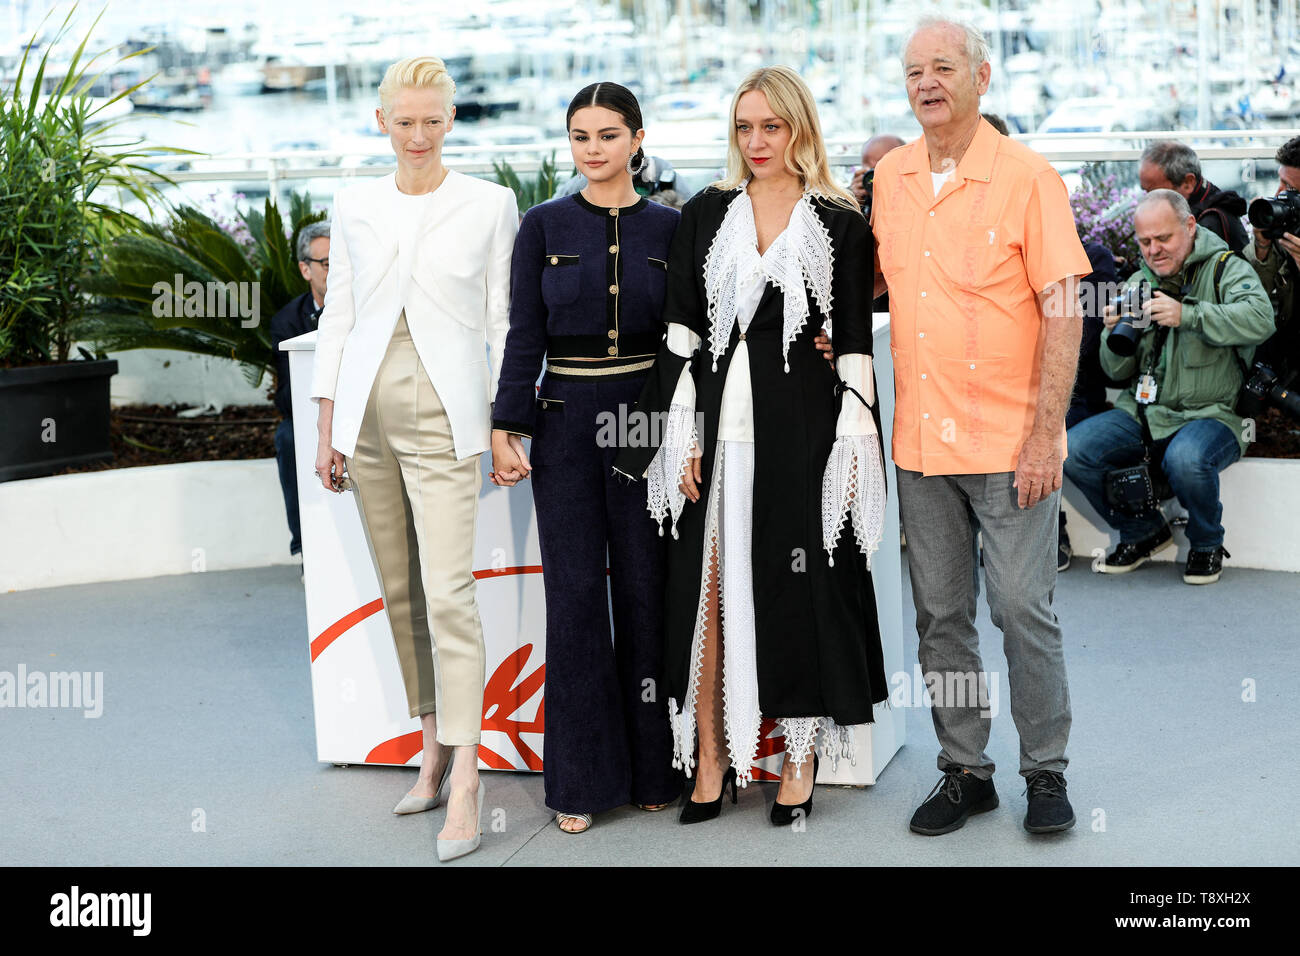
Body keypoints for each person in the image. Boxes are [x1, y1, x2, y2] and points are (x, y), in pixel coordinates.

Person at [614, 65, 889, 827]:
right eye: (744, 127)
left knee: (799, 587)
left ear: (801, 128)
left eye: (772, 126)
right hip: (717, 429)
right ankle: (709, 758)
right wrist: (682, 439)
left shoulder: (840, 224)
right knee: (704, 596)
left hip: (802, 429)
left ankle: (796, 759)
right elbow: (681, 334)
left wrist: (853, 452)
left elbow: (857, 348)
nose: (757, 141)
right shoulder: (705, 213)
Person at [872, 16, 1093, 836]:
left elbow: (1064, 307)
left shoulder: (1028, 178)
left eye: (942, 67)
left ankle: (1046, 770)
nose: (926, 82)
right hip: (923, 445)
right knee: (940, 616)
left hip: (1010, 443)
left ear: (981, 77)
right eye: (913, 71)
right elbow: (879, 287)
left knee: (1020, 607)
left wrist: (1046, 434)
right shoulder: (890, 176)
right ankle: (965, 770)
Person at [309, 56, 518, 862]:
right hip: (365, 417)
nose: (420, 135)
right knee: (400, 591)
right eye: (406, 121)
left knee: (449, 591)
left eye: (433, 120)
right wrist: (327, 424)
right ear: (383, 122)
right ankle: (430, 744)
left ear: (452, 119)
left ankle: (468, 772)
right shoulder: (355, 204)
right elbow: (341, 316)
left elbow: (503, 323)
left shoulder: (490, 204)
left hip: (446, 414)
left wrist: (505, 425)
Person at [489, 82, 683, 834]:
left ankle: (650, 768)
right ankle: (578, 781)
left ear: (638, 138)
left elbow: (683, 342)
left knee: (643, 588)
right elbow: (523, 333)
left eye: (608, 135)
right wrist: (508, 422)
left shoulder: (671, 226)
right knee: (572, 600)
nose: (593, 150)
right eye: (580, 137)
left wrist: (674, 430)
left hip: (641, 417)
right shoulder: (541, 225)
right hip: (564, 424)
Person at [1063, 189, 1274, 584]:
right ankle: (1142, 530)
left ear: (1190, 227)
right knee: (1073, 451)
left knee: (1186, 458)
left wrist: (1188, 315)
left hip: (1215, 414)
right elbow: (1116, 371)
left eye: (1164, 239)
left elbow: (1260, 320)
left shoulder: (1225, 269)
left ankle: (1207, 542)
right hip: (1145, 411)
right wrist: (1114, 334)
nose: (1154, 250)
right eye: (1145, 242)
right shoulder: (1137, 282)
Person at [270, 222, 329, 561]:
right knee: (288, 437)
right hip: (311, 413)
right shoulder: (286, 321)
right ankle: (304, 545)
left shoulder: (369, 311)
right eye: (326, 263)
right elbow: (286, 395)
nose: (336, 271)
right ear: (305, 269)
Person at [1243, 135, 1300, 408]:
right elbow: (1254, 296)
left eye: (1289, 188)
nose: (1278, 194)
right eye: (1279, 181)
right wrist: (1263, 247)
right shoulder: (1288, 227)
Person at [1139, 140, 1249, 253]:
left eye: (1155, 193)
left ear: (1188, 183)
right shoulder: (1204, 201)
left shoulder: (1209, 226)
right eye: (1145, 192)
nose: (1148, 202)